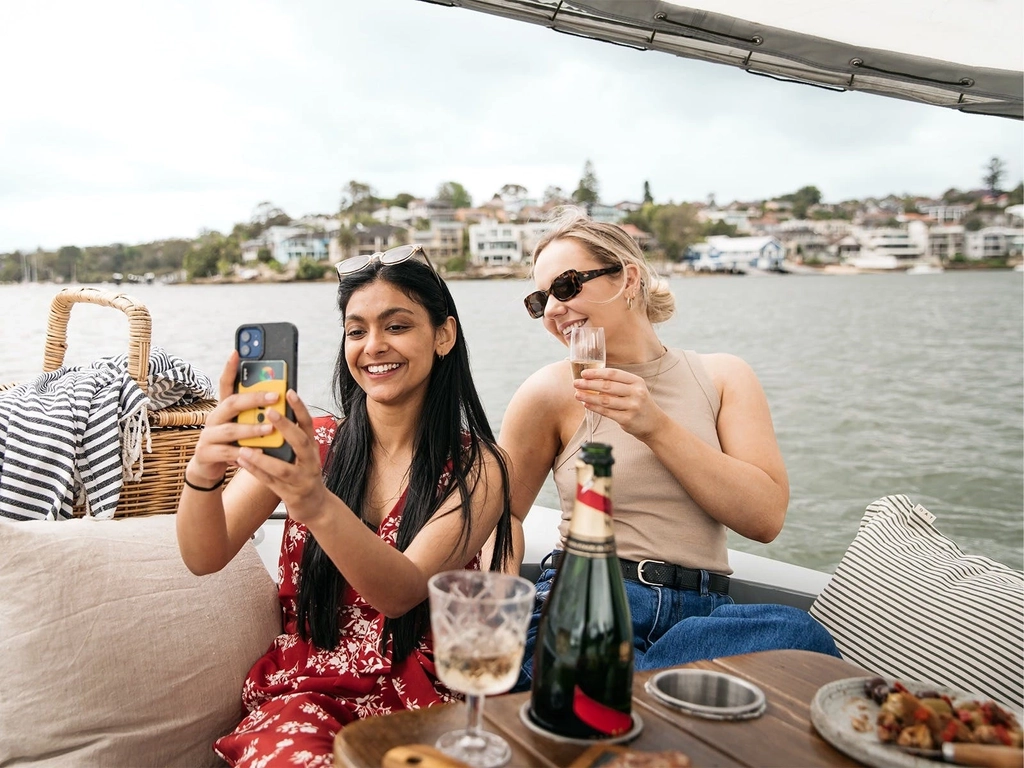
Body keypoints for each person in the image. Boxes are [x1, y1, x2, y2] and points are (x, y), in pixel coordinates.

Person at [176, 245, 513, 767]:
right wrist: (202, 471)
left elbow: (400, 591)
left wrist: (312, 499)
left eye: (396, 326)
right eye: (356, 331)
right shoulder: (313, 443)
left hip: (425, 697)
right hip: (307, 694)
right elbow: (205, 554)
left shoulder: (479, 467)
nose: (373, 346)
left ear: (443, 335)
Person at [499, 207, 839, 689]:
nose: (553, 308)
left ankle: (631, 694)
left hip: (703, 615)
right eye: (540, 299)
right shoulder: (549, 392)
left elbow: (764, 520)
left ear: (628, 278)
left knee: (800, 636)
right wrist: (497, 611)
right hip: (589, 596)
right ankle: (655, 695)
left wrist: (654, 425)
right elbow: (502, 517)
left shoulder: (722, 377)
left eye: (567, 285)